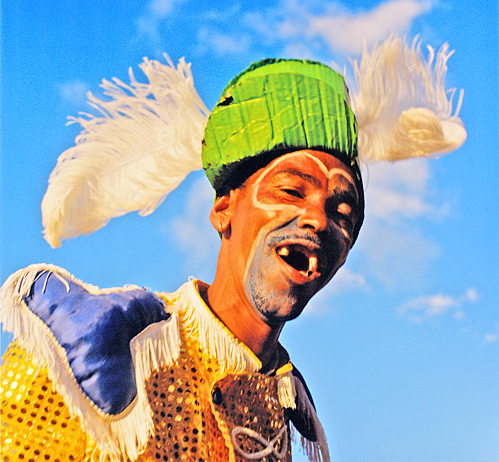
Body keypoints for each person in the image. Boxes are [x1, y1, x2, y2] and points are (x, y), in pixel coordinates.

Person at [0, 43, 465, 462]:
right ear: (224, 209)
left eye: (343, 212)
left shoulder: (290, 408)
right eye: (290, 190)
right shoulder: (94, 348)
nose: (320, 221)